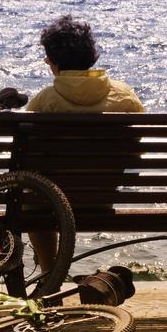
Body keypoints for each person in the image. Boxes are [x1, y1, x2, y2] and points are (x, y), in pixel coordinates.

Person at [26, 15, 144, 276]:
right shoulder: (124, 97)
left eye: (47, 59)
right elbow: (135, 155)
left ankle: (49, 273)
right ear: (92, 56)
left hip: (51, 206)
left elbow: (27, 158)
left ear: (55, 62)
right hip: (101, 200)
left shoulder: (44, 102)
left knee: (35, 201)